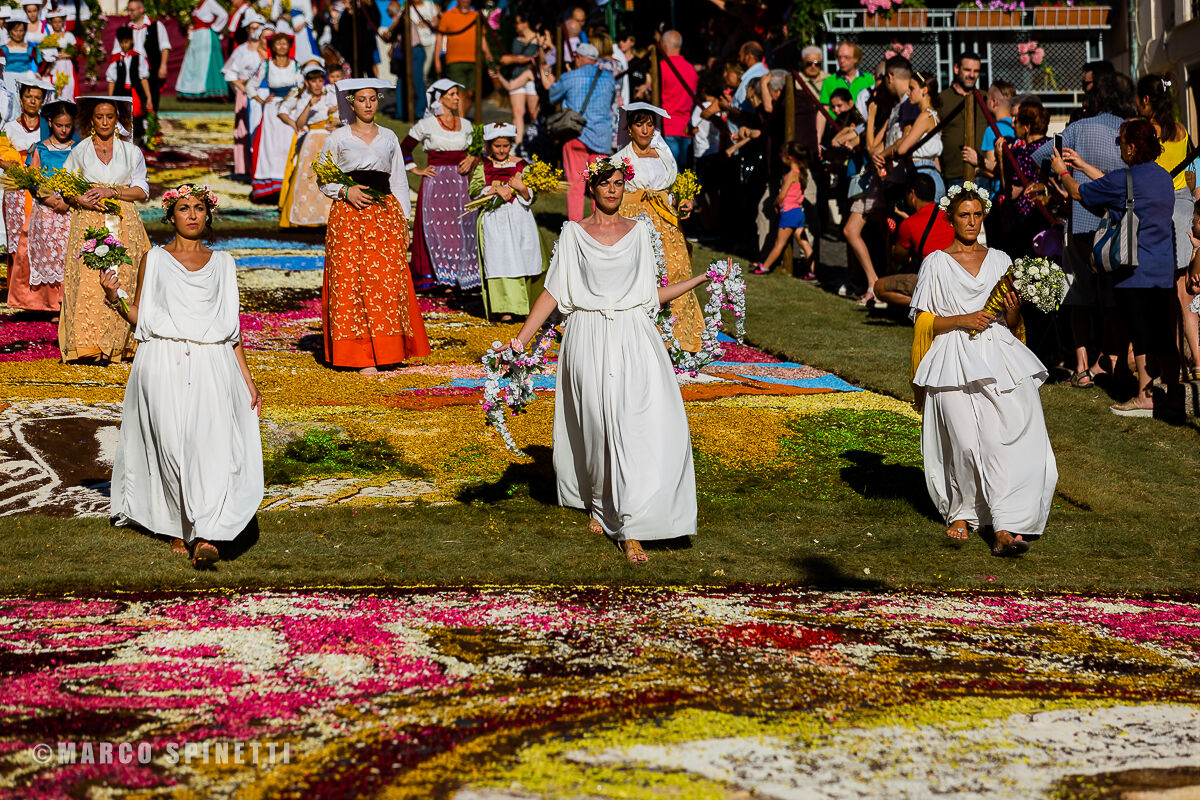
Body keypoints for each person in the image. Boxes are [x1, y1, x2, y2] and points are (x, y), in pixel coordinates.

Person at [510, 157, 720, 564]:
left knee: (636, 422)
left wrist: (699, 280)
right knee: (597, 424)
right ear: (591, 187)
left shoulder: (640, 233)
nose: (612, 190)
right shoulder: (572, 234)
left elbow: (648, 295)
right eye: (605, 183)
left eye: (619, 183)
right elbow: (554, 292)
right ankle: (600, 502)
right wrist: (520, 341)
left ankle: (632, 527)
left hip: (634, 336)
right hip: (587, 337)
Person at [103, 185, 263, 570]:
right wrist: (114, 297)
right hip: (162, 359)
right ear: (170, 216)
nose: (191, 214)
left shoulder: (224, 263)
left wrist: (246, 376)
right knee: (172, 444)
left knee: (208, 444)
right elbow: (143, 317)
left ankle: (206, 533)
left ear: (208, 215)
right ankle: (178, 524)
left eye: (198, 208)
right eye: (183, 208)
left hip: (213, 362)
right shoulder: (154, 260)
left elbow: (230, 327)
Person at [909, 184, 1057, 555]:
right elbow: (924, 321)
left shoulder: (1000, 259)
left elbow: (1011, 321)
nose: (971, 221)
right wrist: (963, 318)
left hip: (997, 355)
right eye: (964, 215)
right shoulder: (936, 262)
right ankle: (960, 512)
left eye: (977, 215)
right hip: (952, 358)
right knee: (963, 440)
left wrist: (1014, 307)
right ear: (951, 218)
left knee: (998, 440)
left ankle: (1004, 524)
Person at [1052, 120, 1179, 416]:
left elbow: (1080, 194)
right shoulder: (1162, 178)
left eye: (1120, 143)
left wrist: (1063, 171)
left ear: (1132, 147)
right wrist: (1083, 165)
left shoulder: (1125, 179)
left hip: (1135, 273)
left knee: (1142, 335)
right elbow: (1114, 187)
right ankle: (1172, 397)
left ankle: (1145, 397)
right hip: (1162, 270)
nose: (1118, 147)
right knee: (1163, 336)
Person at [317, 77, 428, 374]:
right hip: (349, 216)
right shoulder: (338, 138)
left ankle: (388, 349)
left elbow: (399, 182)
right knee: (351, 281)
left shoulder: (389, 136)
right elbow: (323, 177)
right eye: (361, 99)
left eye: (372, 99)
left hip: (383, 215)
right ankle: (359, 354)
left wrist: (403, 221)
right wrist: (345, 191)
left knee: (385, 281)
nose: (368, 104)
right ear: (351, 103)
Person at [1033, 72, 1129, 388]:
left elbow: (1040, 156)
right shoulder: (1127, 129)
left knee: (1079, 298)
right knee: (1112, 299)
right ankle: (1115, 360)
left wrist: (1059, 176)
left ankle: (1082, 366)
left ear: (1097, 97)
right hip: (1117, 224)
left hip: (1082, 223)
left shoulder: (1079, 128)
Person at [58, 96, 151, 363]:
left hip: (123, 222)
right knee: (88, 280)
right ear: (91, 120)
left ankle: (118, 344)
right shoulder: (79, 150)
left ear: (117, 119)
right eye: (100, 117)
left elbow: (142, 189)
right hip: (88, 221)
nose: (105, 122)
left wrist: (113, 190)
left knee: (122, 277)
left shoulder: (132, 152)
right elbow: (66, 186)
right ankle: (87, 345)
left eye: (110, 117)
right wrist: (79, 199)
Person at [612, 103, 703, 352]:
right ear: (629, 128)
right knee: (642, 275)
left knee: (678, 270)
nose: (645, 130)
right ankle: (641, 336)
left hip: (666, 220)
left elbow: (672, 189)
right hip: (635, 221)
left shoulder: (664, 155)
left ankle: (681, 337)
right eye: (639, 124)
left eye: (649, 124)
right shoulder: (619, 160)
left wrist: (683, 201)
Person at [1136, 73, 1198, 380]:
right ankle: (1194, 362)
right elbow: (1191, 172)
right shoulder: (1182, 130)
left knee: (1161, 300)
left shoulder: (1149, 131)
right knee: (1183, 295)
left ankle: (1170, 366)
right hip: (1183, 207)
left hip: (1159, 210)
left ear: (1146, 100)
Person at [401, 79, 479, 293]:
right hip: (437, 183)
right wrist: (416, 169)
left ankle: (461, 276)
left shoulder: (466, 124)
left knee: (462, 227)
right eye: (452, 94)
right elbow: (405, 148)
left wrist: (472, 157)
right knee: (438, 227)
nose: (456, 98)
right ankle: (440, 277)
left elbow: (478, 148)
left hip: (461, 182)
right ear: (440, 98)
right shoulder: (426, 125)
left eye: (457, 94)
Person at [471, 122, 543, 321]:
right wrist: (493, 190)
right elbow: (474, 189)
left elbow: (532, 195)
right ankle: (505, 310)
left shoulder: (521, 165)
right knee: (499, 260)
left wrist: (520, 188)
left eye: (505, 145)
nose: (501, 150)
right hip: (495, 219)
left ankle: (526, 306)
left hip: (519, 217)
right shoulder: (483, 165)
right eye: (497, 146)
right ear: (489, 145)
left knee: (521, 257)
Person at [542, 43, 616, 222]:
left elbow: (552, 96)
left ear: (580, 57)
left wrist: (546, 73)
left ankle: (575, 228)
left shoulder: (570, 77)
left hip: (576, 134)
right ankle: (600, 225)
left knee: (575, 186)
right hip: (602, 136)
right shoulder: (609, 78)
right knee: (600, 185)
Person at [1, 77, 52, 313]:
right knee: (17, 239)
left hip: (42, 191)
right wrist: (19, 169)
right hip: (16, 192)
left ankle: (41, 297)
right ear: (21, 99)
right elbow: (1, 156)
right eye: (29, 96)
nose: (33, 101)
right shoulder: (9, 127)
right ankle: (19, 294)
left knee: (43, 238)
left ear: (43, 101)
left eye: (37, 97)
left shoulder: (48, 127)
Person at [21, 98, 73, 316]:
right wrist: (49, 198)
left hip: (70, 208)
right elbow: (32, 178)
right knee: (48, 250)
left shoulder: (79, 149)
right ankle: (49, 303)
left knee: (68, 252)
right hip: (46, 207)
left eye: (68, 126)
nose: (63, 130)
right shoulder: (39, 149)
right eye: (59, 125)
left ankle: (67, 302)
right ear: (50, 122)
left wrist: (68, 201)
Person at [874, 174, 954, 308]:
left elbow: (899, 257)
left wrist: (892, 236)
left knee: (879, 287)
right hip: (954, 281)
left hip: (933, 283)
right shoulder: (949, 215)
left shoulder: (909, 224)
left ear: (912, 194)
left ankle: (927, 306)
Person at [278, 64, 338, 228]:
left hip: (329, 138)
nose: (318, 84)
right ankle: (307, 217)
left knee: (330, 177)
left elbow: (343, 112)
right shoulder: (304, 98)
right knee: (309, 179)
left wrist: (335, 123)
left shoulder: (330, 94)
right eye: (314, 81)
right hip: (311, 140)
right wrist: (309, 105)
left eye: (320, 80)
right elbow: (299, 123)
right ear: (307, 82)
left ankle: (328, 217)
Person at [876, 69, 945, 203]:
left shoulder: (925, 116)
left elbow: (902, 149)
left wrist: (884, 155)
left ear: (924, 90)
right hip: (931, 175)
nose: (908, 93)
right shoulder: (935, 116)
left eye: (912, 88)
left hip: (922, 177)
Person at [248, 31, 302, 202]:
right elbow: (250, 86)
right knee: (270, 147)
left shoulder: (295, 65)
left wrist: (293, 100)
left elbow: (301, 86)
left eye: (284, 43)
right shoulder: (266, 65)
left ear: (289, 46)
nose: (281, 47)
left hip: (290, 109)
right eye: (278, 43)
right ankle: (271, 187)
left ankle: (288, 183)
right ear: (272, 46)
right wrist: (261, 100)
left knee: (288, 145)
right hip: (272, 111)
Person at [752, 142, 813, 276]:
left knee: (779, 243)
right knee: (803, 242)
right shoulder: (801, 173)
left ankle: (765, 267)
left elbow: (781, 195)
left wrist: (775, 204)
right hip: (798, 212)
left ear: (789, 157)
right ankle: (813, 271)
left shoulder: (791, 174)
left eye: (782, 154)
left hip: (789, 212)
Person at [488, 12, 540, 151]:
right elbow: (510, 59)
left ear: (525, 23)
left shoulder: (538, 39)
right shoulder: (516, 39)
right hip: (517, 77)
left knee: (534, 113)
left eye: (517, 23)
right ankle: (518, 144)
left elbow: (532, 58)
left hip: (531, 78)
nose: (516, 26)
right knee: (517, 112)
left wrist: (515, 59)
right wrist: (519, 59)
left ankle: (536, 143)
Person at [222, 13, 264, 183]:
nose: (255, 32)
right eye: (252, 28)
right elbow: (228, 72)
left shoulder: (266, 51)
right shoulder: (241, 50)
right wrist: (244, 88)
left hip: (264, 93)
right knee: (244, 129)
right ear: (247, 30)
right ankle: (245, 166)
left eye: (258, 28)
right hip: (246, 94)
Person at [434, 0, 488, 118]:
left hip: (474, 60)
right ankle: (461, 122)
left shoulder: (475, 16)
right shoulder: (448, 15)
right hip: (454, 61)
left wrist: (489, 57)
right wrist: (437, 59)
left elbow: (482, 38)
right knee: (460, 92)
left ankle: (459, 118)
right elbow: (439, 38)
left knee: (470, 94)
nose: (465, 2)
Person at [937, 51, 984, 187]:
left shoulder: (984, 98)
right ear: (956, 68)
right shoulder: (941, 99)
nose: (972, 75)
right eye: (967, 70)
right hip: (952, 176)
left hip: (983, 175)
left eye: (976, 71)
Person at [962, 80, 1015, 194]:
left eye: (986, 98)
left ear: (994, 102)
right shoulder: (1018, 126)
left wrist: (978, 163)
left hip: (1000, 191)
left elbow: (992, 171)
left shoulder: (992, 131)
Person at [119, 0, 169, 112]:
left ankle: (151, 123)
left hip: (151, 68)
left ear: (141, 9)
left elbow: (165, 47)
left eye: (132, 10)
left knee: (152, 99)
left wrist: (163, 66)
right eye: (128, 10)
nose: (129, 13)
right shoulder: (126, 28)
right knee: (134, 101)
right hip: (131, 69)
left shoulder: (155, 25)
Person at [658, 30, 697, 170]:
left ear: (664, 44)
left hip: (668, 127)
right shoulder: (691, 69)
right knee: (685, 174)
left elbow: (654, 95)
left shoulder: (662, 67)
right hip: (686, 127)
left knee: (671, 174)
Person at [175, 0, 229, 100]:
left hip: (206, 36)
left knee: (204, 63)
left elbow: (223, 15)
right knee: (195, 63)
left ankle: (207, 91)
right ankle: (191, 90)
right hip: (197, 36)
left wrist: (214, 28)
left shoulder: (209, 2)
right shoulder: (198, 4)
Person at [106, 26, 152, 142]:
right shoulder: (116, 59)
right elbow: (111, 80)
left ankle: (137, 137)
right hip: (120, 91)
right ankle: (122, 138)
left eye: (126, 42)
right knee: (121, 115)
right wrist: (111, 98)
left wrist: (148, 97)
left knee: (136, 113)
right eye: (121, 42)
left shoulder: (138, 57)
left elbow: (143, 78)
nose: (124, 45)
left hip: (134, 90)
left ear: (131, 41)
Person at [819, 40, 873, 108]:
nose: (842, 61)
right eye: (839, 57)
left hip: (861, 118)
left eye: (846, 57)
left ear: (856, 59)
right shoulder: (829, 81)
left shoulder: (869, 80)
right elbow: (824, 110)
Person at [40, 9, 76, 100]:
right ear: (51, 23)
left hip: (65, 64)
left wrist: (63, 55)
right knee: (55, 85)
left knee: (67, 86)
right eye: (55, 22)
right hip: (54, 64)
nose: (57, 24)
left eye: (59, 22)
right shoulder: (49, 37)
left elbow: (74, 52)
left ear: (63, 22)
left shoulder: (68, 36)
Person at [2, 17, 40, 96]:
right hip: (8, 78)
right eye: (15, 30)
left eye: (21, 30)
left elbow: (41, 64)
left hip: (25, 79)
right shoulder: (3, 49)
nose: (18, 33)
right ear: (10, 31)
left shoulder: (31, 49)